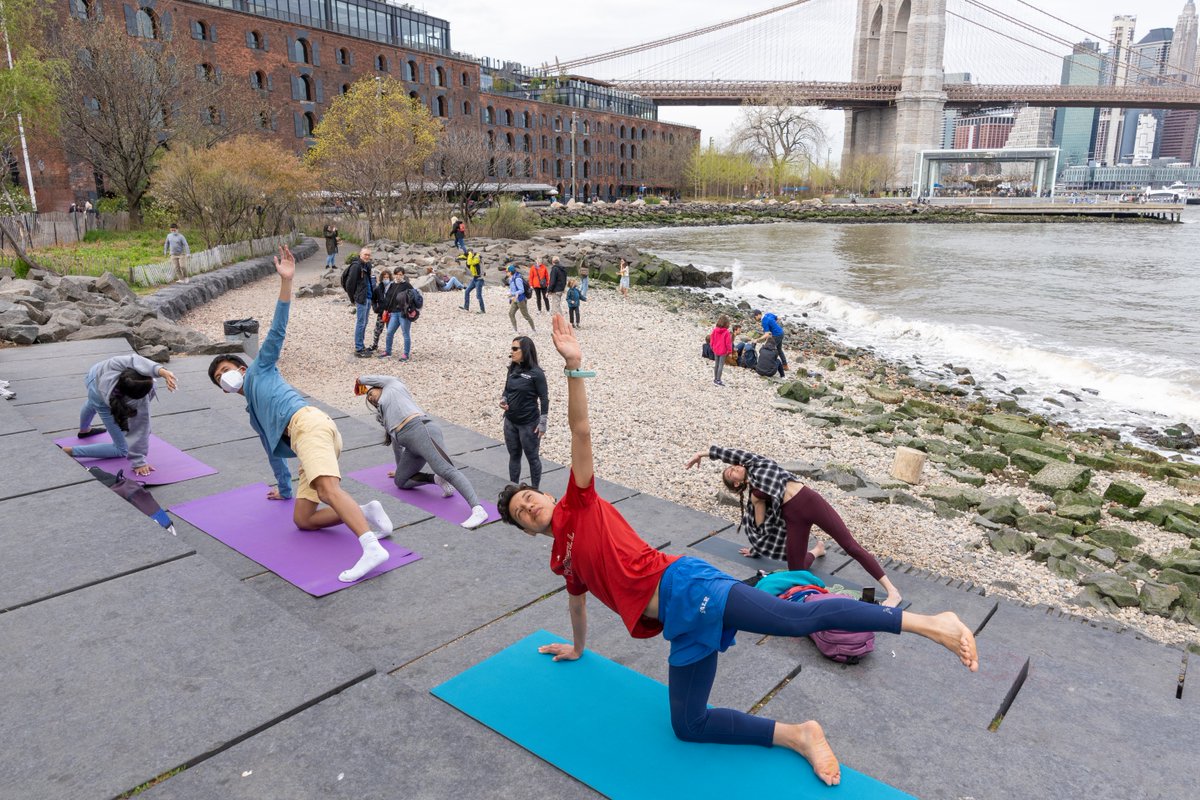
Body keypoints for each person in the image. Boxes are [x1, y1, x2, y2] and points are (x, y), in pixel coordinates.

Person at [498, 316, 978, 787]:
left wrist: (574, 368)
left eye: (529, 498)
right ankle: (799, 734)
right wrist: (579, 648)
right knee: (689, 725)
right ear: (526, 529)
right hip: (680, 624)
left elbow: (581, 432)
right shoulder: (562, 559)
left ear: (546, 494)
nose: (530, 506)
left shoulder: (579, 503)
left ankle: (929, 623)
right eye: (522, 513)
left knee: (795, 619)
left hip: (687, 587)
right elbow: (577, 601)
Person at [208, 245, 394, 584]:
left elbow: (277, 329)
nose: (224, 377)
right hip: (306, 437)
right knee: (304, 519)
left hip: (309, 426)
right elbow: (273, 451)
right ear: (223, 389)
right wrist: (284, 488)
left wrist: (286, 282)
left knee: (327, 490)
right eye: (219, 378)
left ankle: (370, 546)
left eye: (225, 370)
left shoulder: (260, 369)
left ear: (240, 367)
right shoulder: (253, 411)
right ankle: (366, 512)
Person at [685, 445, 902, 608]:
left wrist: (702, 454)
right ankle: (816, 551)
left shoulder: (755, 464)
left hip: (810, 501)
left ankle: (893, 591)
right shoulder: (755, 496)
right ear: (736, 483)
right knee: (796, 571)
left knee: (850, 545)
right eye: (730, 472)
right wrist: (756, 545)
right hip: (794, 518)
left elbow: (730, 453)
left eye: (733, 466)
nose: (734, 467)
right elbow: (762, 527)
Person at [355, 376, 489, 529]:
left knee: (446, 469)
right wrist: (399, 467)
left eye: (370, 393)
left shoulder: (393, 387)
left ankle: (478, 509)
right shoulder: (384, 415)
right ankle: (437, 479)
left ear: (380, 387)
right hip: (411, 446)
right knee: (401, 481)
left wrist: (360, 380)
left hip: (422, 431)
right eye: (368, 398)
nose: (369, 397)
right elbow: (396, 444)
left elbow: (377, 378)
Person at [61, 355, 178, 476]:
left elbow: (135, 360)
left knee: (92, 402)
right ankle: (69, 451)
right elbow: (139, 430)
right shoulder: (139, 402)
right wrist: (139, 462)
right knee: (122, 449)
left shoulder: (115, 365)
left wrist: (162, 371)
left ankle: (84, 430)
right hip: (100, 397)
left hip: (93, 376)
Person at [500, 335, 547, 490]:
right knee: (514, 456)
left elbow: (544, 398)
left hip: (529, 424)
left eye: (515, 349)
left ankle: (535, 490)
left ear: (525, 351)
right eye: (511, 348)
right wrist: (504, 399)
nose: (511, 352)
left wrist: (542, 423)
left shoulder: (537, 373)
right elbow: (507, 389)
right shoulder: (512, 368)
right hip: (510, 422)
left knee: (532, 458)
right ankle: (513, 489)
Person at [345, 247, 375, 357]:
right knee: (361, 323)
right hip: (361, 298)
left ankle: (361, 345)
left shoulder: (367, 265)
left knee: (364, 322)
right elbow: (350, 284)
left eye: (368, 255)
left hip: (368, 297)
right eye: (365, 254)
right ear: (360, 254)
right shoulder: (356, 266)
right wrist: (353, 299)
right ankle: (358, 348)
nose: (367, 256)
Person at [383, 271, 416, 362]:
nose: (398, 276)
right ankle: (388, 351)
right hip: (393, 313)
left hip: (403, 313)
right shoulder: (391, 285)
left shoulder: (407, 285)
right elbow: (388, 298)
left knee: (405, 333)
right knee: (389, 332)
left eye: (400, 274)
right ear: (394, 275)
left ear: (403, 275)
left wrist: (410, 309)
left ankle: (406, 354)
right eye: (397, 274)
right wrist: (386, 309)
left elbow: (414, 296)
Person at [367, 269, 393, 354]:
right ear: (382, 278)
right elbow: (373, 299)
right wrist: (375, 308)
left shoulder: (393, 287)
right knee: (377, 330)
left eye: (387, 277)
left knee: (390, 331)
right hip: (381, 313)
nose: (386, 279)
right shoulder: (378, 288)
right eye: (384, 277)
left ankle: (388, 348)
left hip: (391, 313)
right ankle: (375, 345)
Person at [506, 264, 536, 333]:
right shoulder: (511, 279)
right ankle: (515, 330)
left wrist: (512, 294)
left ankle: (533, 330)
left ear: (510, 272)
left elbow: (521, 290)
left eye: (507, 272)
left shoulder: (517, 279)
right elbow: (512, 289)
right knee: (511, 313)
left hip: (521, 299)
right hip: (514, 299)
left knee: (526, 315)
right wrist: (511, 297)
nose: (506, 273)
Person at [710, 314, 732, 386]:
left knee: (716, 364)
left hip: (715, 349)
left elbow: (712, 339)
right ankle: (718, 379)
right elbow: (728, 343)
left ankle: (715, 378)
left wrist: (712, 346)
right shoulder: (726, 332)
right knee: (720, 365)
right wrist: (729, 350)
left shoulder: (715, 330)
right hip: (723, 351)